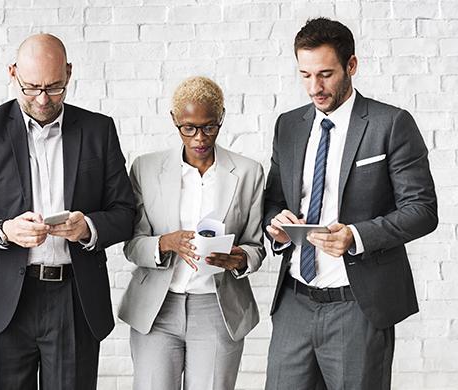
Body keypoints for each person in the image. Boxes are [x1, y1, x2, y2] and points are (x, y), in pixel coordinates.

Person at [0, 33, 136, 389]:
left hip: (74, 298)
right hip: (4, 300)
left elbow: (125, 212)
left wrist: (88, 227)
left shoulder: (99, 129)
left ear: (68, 73)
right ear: (12, 73)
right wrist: (3, 231)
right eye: (31, 87)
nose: (42, 99)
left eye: (54, 87)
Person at [263, 18, 437, 390]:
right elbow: (273, 200)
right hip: (294, 302)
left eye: (325, 74)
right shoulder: (288, 126)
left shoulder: (390, 124)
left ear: (351, 66)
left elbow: (422, 209)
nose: (315, 87)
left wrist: (356, 236)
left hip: (357, 305)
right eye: (305, 75)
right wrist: (275, 226)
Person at [117, 76, 265, 390]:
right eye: (189, 127)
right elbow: (131, 245)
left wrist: (239, 259)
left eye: (209, 126)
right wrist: (163, 243)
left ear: (222, 117)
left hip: (217, 308)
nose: (199, 137)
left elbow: (255, 246)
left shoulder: (249, 172)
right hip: (157, 310)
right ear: (174, 120)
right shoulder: (145, 168)